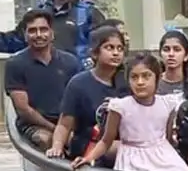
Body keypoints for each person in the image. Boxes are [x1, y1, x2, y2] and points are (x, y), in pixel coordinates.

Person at [73, 53, 188, 171]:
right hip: (132, 157)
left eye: (146, 76)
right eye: (134, 77)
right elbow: (106, 141)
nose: (140, 82)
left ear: (157, 78)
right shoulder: (120, 106)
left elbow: (168, 138)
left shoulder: (167, 104)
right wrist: (88, 158)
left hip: (162, 153)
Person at [3, 9, 83, 149]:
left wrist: (69, 128)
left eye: (43, 30)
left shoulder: (70, 61)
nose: (39, 35)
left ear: (52, 33)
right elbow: (23, 109)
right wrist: (56, 129)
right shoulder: (15, 64)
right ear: (25, 35)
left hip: (67, 122)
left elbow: (80, 100)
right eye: (33, 31)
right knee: (45, 140)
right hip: (36, 125)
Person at [46, 25, 128, 160]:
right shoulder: (78, 84)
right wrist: (57, 146)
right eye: (109, 48)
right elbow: (64, 124)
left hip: (126, 142)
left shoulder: (128, 81)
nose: (116, 53)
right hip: (90, 145)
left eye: (120, 49)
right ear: (94, 53)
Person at [157, 29, 188, 96]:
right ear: (160, 55)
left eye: (177, 50)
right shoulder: (153, 83)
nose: (171, 54)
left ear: (186, 56)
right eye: (166, 50)